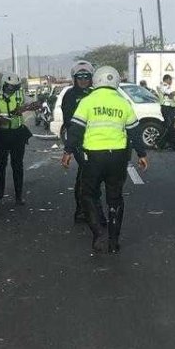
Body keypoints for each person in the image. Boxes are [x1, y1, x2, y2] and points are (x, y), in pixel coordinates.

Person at [60, 65, 149, 254]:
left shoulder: (88, 101)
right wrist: (142, 154)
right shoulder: (123, 102)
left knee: (89, 194)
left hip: (93, 156)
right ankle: (114, 240)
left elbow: (75, 129)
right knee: (115, 198)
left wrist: (67, 152)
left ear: (95, 81)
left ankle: (99, 233)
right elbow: (134, 131)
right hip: (118, 156)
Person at [60, 61, 95, 223]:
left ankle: (88, 207)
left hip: (96, 141)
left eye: (86, 76)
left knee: (92, 175)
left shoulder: (95, 93)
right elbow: (69, 121)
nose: (83, 80)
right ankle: (81, 209)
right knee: (85, 173)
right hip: (79, 140)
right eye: (79, 77)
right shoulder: (70, 95)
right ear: (74, 78)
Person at [0, 73, 35, 205]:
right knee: (0, 164)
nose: (12, 89)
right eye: (10, 87)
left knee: (17, 165)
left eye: (15, 87)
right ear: (4, 85)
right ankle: (1, 185)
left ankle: (18, 195)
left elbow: (36, 104)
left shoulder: (20, 94)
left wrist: (25, 108)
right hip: (1, 133)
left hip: (17, 134)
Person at [157, 74, 175, 150]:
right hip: (166, 108)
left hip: (170, 107)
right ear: (167, 79)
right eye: (171, 80)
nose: (171, 81)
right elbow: (170, 94)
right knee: (168, 127)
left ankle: (170, 144)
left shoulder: (167, 86)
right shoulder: (162, 86)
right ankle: (160, 143)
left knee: (170, 127)